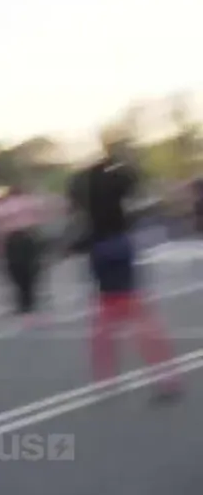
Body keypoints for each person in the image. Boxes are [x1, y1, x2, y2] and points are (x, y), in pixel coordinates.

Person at [67, 127, 180, 402]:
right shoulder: (117, 176)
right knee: (137, 311)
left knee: (105, 312)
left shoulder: (80, 181)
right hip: (118, 242)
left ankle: (105, 377)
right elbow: (137, 186)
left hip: (97, 247)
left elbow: (75, 210)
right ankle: (164, 376)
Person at [0, 183, 46, 320]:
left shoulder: (1, 207)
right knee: (31, 269)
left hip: (12, 240)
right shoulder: (29, 202)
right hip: (29, 236)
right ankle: (30, 299)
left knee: (16, 271)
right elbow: (40, 218)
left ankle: (23, 301)